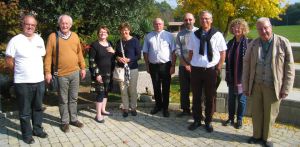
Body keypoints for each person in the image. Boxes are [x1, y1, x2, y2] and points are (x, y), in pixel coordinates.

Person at [243, 17, 295, 147]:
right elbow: (246, 64)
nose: (263, 31)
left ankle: (267, 138)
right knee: (256, 113)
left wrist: (286, 88)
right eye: (260, 29)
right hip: (256, 85)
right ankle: (256, 136)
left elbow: (290, 67)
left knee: (270, 114)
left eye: (265, 28)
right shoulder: (253, 43)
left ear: (271, 27)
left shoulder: (283, 42)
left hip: (273, 85)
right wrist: (245, 85)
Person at [5, 15, 48, 144]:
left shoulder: (39, 40)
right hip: (22, 82)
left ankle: (38, 130)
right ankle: (27, 135)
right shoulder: (15, 40)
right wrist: (19, 72)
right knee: (24, 111)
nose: (30, 27)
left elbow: (42, 56)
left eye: (33, 25)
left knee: (38, 108)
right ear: (23, 25)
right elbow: (8, 60)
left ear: (35, 27)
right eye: (27, 24)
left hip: (39, 81)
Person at [44, 14, 86, 132]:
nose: (65, 25)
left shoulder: (75, 36)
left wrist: (83, 67)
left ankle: (73, 119)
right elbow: (47, 57)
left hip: (75, 73)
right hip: (61, 74)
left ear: (71, 25)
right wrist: (47, 72)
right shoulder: (53, 37)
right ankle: (64, 122)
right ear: (59, 24)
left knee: (73, 98)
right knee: (63, 99)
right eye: (62, 23)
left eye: (67, 23)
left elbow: (79, 53)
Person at [187, 11, 227, 132]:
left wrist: (219, 67)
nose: (204, 21)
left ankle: (208, 121)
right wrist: (190, 64)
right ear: (199, 20)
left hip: (210, 69)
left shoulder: (217, 35)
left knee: (210, 97)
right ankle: (197, 120)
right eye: (202, 19)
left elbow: (222, 52)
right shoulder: (194, 35)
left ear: (211, 20)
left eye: (207, 19)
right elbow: (190, 51)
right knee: (196, 97)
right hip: (196, 69)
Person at [142, 18, 176, 117]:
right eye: (156, 24)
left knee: (166, 87)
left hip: (166, 65)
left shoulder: (169, 36)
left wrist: (173, 66)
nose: (158, 25)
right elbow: (145, 52)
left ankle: (165, 108)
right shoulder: (148, 36)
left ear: (163, 24)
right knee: (156, 87)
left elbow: (174, 51)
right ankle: (158, 106)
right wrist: (147, 65)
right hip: (153, 66)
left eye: (160, 24)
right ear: (153, 25)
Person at [222, 18, 250, 129]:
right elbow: (226, 59)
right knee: (231, 99)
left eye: (239, 27)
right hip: (231, 76)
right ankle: (230, 118)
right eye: (234, 27)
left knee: (242, 99)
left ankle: (239, 119)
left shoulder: (248, 43)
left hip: (242, 77)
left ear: (243, 29)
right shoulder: (230, 43)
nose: (236, 29)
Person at [89, 26, 115, 122]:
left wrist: (114, 52)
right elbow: (91, 61)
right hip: (99, 74)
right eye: (100, 32)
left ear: (107, 34)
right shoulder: (94, 45)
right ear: (98, 34)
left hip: (109, 73)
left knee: (106, 92)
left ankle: (103, 110)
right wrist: (97, 74)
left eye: (105, 32)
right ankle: (98, 115)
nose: (103, 33)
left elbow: (114, 57)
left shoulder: (110, 44)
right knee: (100, 93)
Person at [174, 13, 198, 117]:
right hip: (183, 66)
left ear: (194, 20)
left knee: (197, 90)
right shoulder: (180, 34)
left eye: (190, 19)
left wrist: (192, 64)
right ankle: (185, 109)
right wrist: (185, 64)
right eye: (186, 20)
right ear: (184, 21)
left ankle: (196, 110)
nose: (188, 21)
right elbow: (178, 50)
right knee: (184, 89)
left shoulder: (199, 32)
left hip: (197, 66)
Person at [115, 23, 141, 117]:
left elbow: (139, 56)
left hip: (132, 69)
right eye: (122, 30)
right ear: (120, 31)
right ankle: (125, 108)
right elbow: (116, 54)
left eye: (126, 30)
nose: (124, 31)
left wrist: (129, 59)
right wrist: (118, 58)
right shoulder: (119, 42)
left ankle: (133, 107)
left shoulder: (135, 41)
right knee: (123, 90)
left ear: (129, 31)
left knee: (132, 90)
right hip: (121, 70)